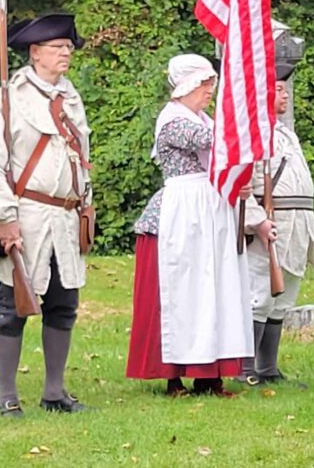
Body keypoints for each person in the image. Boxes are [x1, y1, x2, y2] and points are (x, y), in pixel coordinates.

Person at [125, 54, 266, 396]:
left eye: (212, 84)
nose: (210, 91)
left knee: (214, 288)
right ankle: (174, 374)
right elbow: (214, 144)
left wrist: (238, 183)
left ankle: (209, 374)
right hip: (183, 211)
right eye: (206, 83)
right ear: (187, 84)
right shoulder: (174, 122)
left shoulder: (205, 119)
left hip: (210, 209)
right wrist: (247, 118)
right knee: (185, 290)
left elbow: (225, 157)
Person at [0, 13, 92, 417]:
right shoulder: (10, 98)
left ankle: (54, 391)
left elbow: (81, 158)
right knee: (13, 306)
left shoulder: (71, 98)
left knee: (63, 304)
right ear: (35, 52)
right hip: (27, 214)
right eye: (58, 47)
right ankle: (7, 394)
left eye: (68, 47)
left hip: (65, 216)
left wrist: (85, 204)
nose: (66, 53)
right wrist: (4, 217)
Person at [242, 63, 314, 384]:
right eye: (277, 87)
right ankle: (247, 369)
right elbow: (243, 187)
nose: (285, 92)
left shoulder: (284, 133)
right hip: (271, 223)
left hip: (297, 222)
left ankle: (268, 368)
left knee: (282, 299)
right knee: (259, 295)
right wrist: (257, 221)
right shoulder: (253, 133)